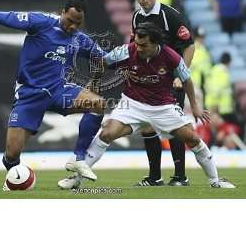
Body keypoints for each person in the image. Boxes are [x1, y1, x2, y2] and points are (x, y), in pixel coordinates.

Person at [0, 0, 107, 189]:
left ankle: (78, 158)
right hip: (29, 94)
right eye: (70, 21)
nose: (73, 27)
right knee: (11, 154)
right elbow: (6, 17)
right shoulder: (41, 22)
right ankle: (17, 178)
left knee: (98, 103)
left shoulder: (79, 38)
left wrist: (94, 83)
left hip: (59, 91)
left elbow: (102, 58)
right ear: (63, 12)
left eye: (78, 23)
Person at [65, 22, 235, 189]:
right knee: (107, 133)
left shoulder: (171, 56)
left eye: (143, 45)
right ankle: (76, 179)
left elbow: (187, 81)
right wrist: (94, 83)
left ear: (155, 43)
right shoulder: (126, 51)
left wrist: (195, 106)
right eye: (137, 43)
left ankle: (215, 180)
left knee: (192, 139)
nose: (138, 48)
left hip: (162, 107)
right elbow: (102, 62)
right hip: (132, 104)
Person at [131, 0, 195, 187]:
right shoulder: (136, 17)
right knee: (147, 127)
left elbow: (189, 46)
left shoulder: (171, 16)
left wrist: (180, 74)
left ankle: (180, 176)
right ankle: (154, 177)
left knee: (174, 127)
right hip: (149, 83)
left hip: (171, 81)